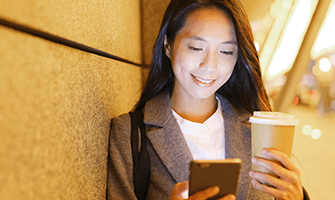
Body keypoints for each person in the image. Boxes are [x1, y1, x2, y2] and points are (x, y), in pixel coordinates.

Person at [107, 0, 309, 199]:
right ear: (167, 45)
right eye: (195, 47)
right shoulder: (130, 135)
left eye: (226, 51)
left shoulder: (259, 132)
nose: (210, 65)